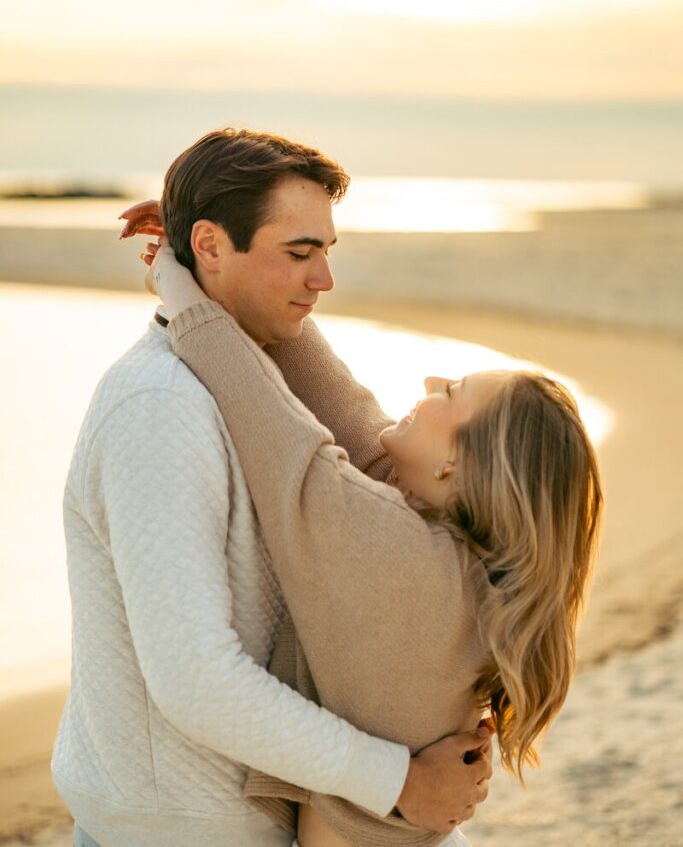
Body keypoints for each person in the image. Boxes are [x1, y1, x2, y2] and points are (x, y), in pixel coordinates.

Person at [53, 128, 492, 847]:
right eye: (299, 253)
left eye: (325, 251)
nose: (324, 280)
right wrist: (398, 782)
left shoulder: (253, 376)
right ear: (212, 246)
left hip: (275, 821)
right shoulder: (159, 409)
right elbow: (197, 680)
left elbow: (370, 448)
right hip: (183, 832)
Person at [132, 238, 603, 847]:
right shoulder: (469, 563)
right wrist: (247, 282)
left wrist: (176, 285)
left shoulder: (403, 560)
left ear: (457, 467)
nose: (433, 378)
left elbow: (266, 413)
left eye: (452, 393)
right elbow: (343, 407)